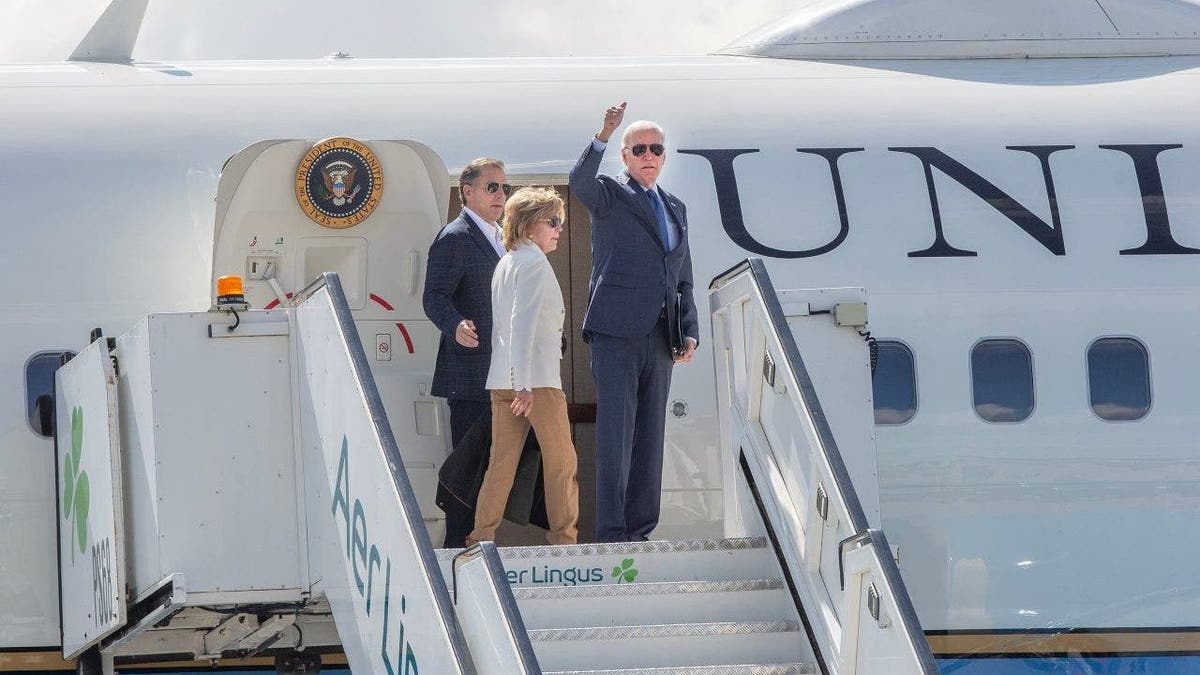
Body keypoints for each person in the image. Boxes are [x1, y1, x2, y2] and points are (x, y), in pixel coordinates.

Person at [569, 102, 699, 543]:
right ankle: (611, 533)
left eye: (656, 148)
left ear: (664, 156)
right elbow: (578, 182)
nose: (648, 155)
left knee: (651, 437)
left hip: (661, 336)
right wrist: (603, 134)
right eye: (639, 148)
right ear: (625, 156)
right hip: (615, 331)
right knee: (615, 436)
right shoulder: (609, 193)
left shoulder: (676, 206)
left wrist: (689, 330)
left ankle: (640, 530)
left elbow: (682, 275)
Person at [467, 187, 579, 546]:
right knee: (562, 464)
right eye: (554, 221)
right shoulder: (533, 264)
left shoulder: (507, 261)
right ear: (531, 226)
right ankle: (564, 541)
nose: (559, 228)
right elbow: (522, 323)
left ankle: (480, 539)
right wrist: (524, 385)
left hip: (503, 379)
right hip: (535, 383)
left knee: (500, 466)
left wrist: (514, 381)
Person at [423, 157, 511, 547]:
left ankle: (478, 546)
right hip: (471, 378)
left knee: (493, 472)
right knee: (468, 475)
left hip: (500, 376)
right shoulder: (456, 237)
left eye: (504, 187)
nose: (501, 195)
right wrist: (455, 323)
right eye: (492, 187)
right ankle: (457, 552)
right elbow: (434, 296)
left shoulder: (501, 236)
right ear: (468, 192)